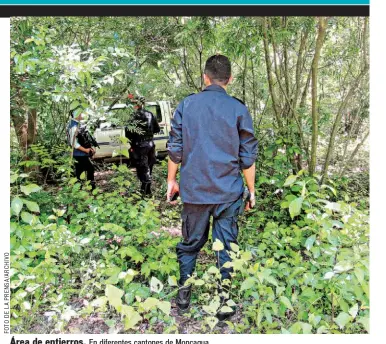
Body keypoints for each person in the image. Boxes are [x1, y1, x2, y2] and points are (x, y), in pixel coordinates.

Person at [166, 55, 258, 319]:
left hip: (194, 191)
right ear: (229, 79)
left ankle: (183, 299)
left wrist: (172, 181)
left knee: (190, 243)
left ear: (205, 77)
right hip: (228, 192)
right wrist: (250, 191)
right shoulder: (238, 109)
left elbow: (175, 148)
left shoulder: (187, 104)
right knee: (226, 245)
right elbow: (248, 156)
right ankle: (224, 304)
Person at [126, 96, 160, 196]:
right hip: (150, 145)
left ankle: (145, 193)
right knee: (148, 167)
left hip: (139, 146)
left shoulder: (132, 117)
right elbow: (157, 130)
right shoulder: (150, 114)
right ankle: (146, 190)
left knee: (143, 169)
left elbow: (128, 134)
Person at [67, 109, 96, 190]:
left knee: (80, 171)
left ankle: (79, 189)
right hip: (79, 154)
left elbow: (82, 139)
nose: (82, 115)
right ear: (76, 115)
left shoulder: (76, 124)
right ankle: (92, 188)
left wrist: (89, 148)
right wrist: (86, 150)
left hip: (80, 154)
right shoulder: (73, 126)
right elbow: (74, 144)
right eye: (80, 113)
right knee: (90, 169)